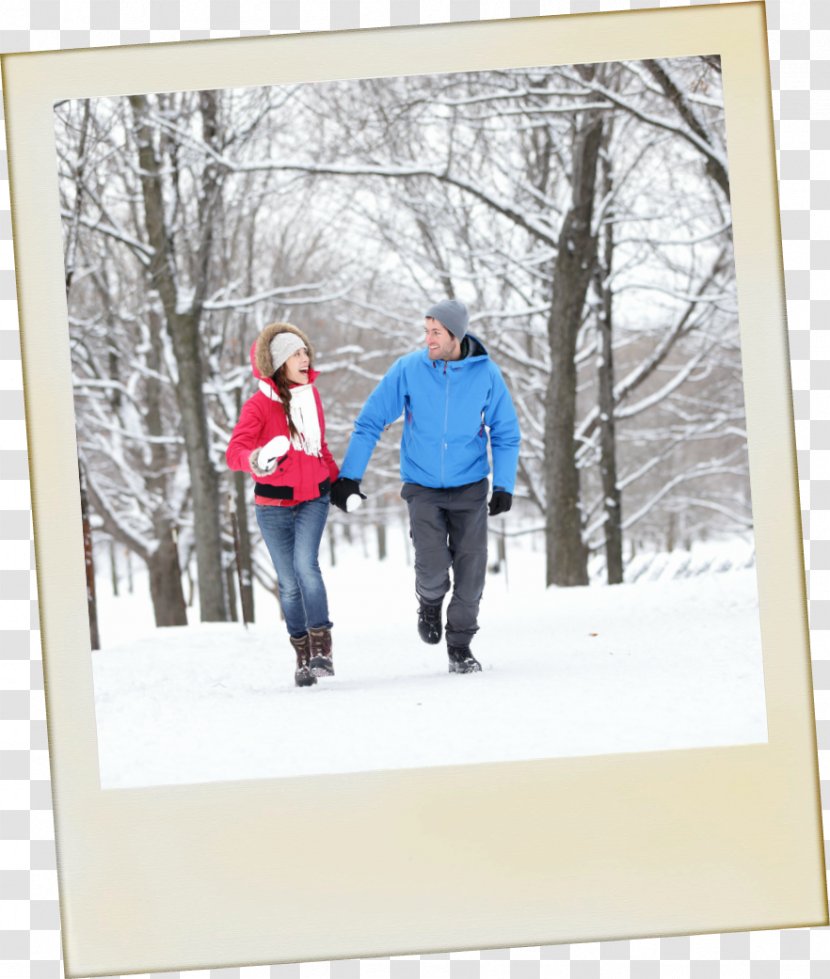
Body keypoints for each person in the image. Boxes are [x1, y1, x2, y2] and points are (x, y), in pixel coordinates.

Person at [330, 299, 520, 674]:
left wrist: (505, 485)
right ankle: (430, 601)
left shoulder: (486, 374)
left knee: (471, 569)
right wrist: (349, 477)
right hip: (422, 486)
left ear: (456, 335)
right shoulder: (409, 370)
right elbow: (370, 421)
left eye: (436, 332)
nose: (428, 339)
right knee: (432, 567)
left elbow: (506, 432)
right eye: (426, 331)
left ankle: (460, 646)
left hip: (470, 486)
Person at [226, 322, 340, 688]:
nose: (305, 358)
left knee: (307, 567)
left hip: (313, 498)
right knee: (289, 584)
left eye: (305, 351)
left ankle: (322, 646)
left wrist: (340, 483)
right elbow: (234, 453)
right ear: (278, 363)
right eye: (297, 353)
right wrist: (256, 459)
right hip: (273, 506)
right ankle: (302, 654)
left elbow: (319, 447)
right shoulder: (258, 406)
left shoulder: (311, 397)